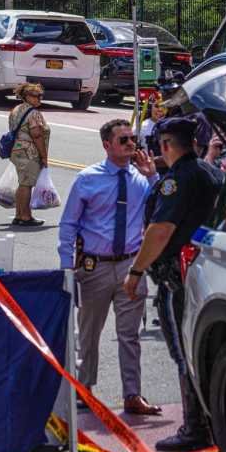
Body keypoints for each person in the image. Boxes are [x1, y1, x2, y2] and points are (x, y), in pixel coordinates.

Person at [123, 117, 223, 452]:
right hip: (208, 275)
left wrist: (136, 272)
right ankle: (213, 423)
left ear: (166, 144)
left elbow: (160, 230)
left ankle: (195, 428)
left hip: (178, 280)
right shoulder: (211, 173)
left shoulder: (177, 181)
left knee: (183, 354)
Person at [58, 119, 162, 416]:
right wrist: (67, 269)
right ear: (107, 145)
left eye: (133, 140)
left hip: (130, 264)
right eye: (124, 141)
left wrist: (153, 177)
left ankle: (133, 394)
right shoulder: (87, 179)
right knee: (89, 333)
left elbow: (160, 210)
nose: (131, 145)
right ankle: (84, 389)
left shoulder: (141, 178)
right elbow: (68, 226)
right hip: (95, 267)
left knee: (129, 335)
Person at [7, 82, 49, 227]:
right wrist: (44, 156)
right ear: (26, 96)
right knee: (27, 184)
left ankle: (19, 214)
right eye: (35, 96)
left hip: (16, 150)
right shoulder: (33, 113)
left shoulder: (16, 109)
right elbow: (37, 135)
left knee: (23, 183)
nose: (39, 98)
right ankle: (25, 216)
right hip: (29, 152)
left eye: (40, 96)